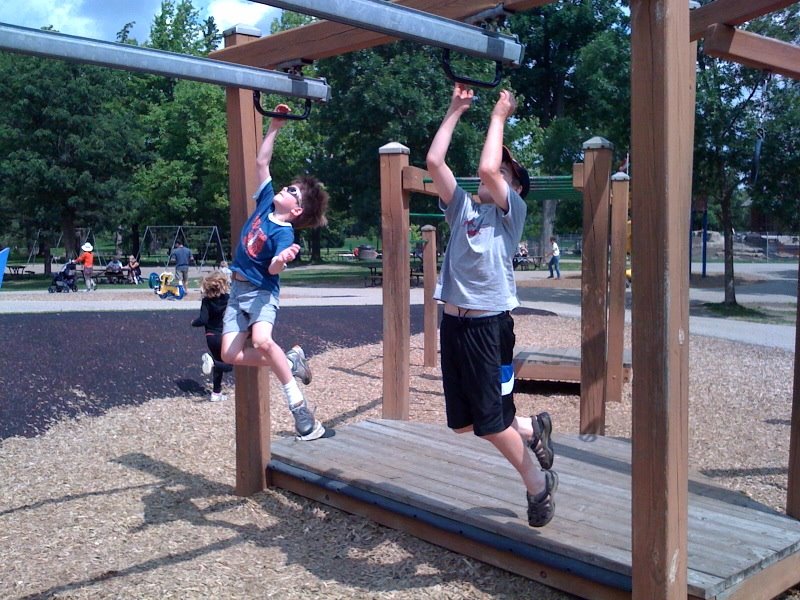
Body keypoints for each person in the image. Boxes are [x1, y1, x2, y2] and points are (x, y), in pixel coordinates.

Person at [426, 83, 557, 528]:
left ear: (513, 188)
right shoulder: (461, 208)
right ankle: (532, 430)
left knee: (491, 423)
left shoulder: (511, 213)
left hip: (488, 329)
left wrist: (500, 115)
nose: (491, 174)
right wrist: (454, 110)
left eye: (503, 173)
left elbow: (486, 167)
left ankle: (538, 484)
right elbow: (433, 163)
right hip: (454, 325)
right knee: (465, 423)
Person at [220, 103, 329, 441]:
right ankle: (291, 358)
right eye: (290, 185)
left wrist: (283, 259)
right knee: (229, 354)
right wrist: (275, 127)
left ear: (296, 210)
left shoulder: (286, 233)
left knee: (264, 341)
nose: (287, 187)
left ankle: (299, 409)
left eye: (293, 191)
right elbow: (261, 162)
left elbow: (273, 267)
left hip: (261, 293)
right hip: (236, 291)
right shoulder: (266, 201)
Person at [192, 272, 233, 402]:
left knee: (218, 361)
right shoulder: (227, 298)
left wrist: (193, 322)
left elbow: (203, 320)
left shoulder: (206, 301)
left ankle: (216, 393)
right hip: (223, 335)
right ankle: (213, 364)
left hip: (210, 336)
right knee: (229, 365)